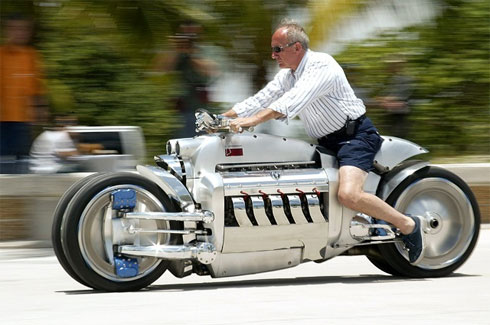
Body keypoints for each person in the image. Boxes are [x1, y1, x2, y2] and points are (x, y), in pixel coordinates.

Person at [221, 19, 426, 265]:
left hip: (354, 137)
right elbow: (262, 97)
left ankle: (408, 225)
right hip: (325, 141)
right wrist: (223, 117)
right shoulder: (288, 74)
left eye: (278, 49)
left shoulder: (321, 65)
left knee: (349, 195)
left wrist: (250, 121)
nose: (273, 55)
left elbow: (290, 102)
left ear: (296, 47)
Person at [0, 14, 48, 172]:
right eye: (15, 28)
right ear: (7, 31)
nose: (19, 32)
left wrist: (40, 112)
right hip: (2, 122)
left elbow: (38, 88)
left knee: (21, 165)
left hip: (23, 123)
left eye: (23, 29)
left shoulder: (32, 56)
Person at [153, 21, 216, 138]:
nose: (188, 35)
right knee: (180, 146)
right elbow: (161, 69)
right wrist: (174, 50)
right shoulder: (177, 52)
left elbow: (210, 70)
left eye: (192, 32)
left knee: (203, 143)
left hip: (201, 108)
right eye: (185, 32)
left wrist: (191, 53)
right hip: (181, 108)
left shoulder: (207, 50)